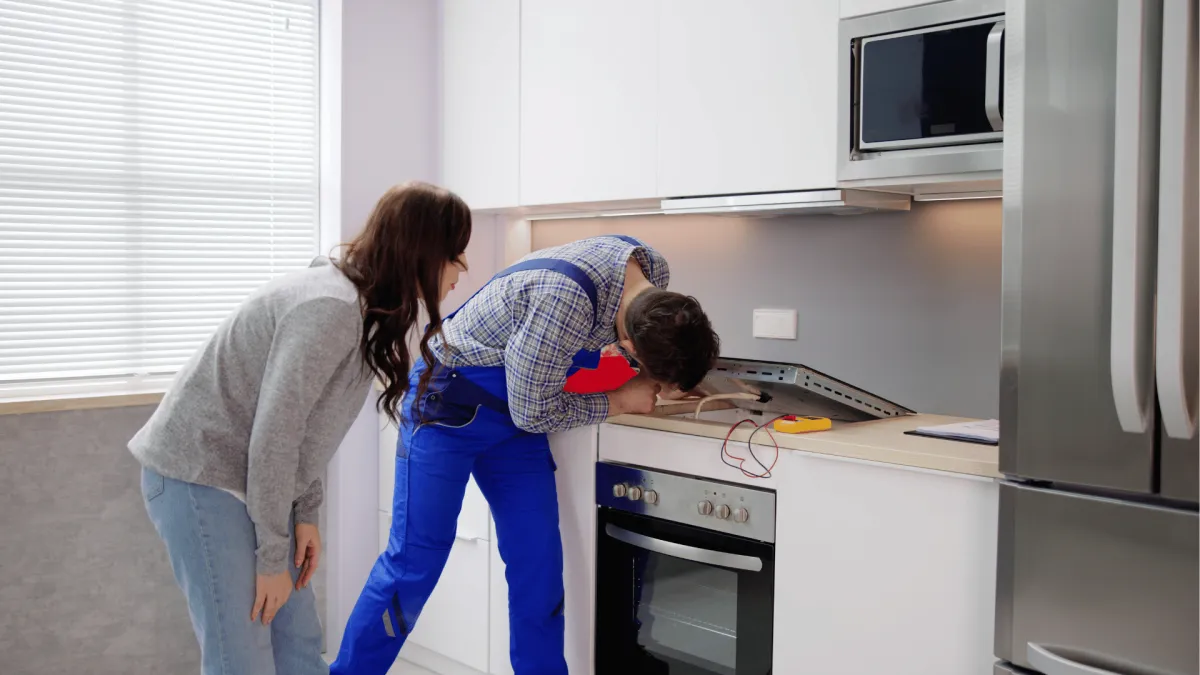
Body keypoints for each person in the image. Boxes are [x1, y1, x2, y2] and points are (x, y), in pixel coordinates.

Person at [332, 235, 721, 674]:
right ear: (631, 339)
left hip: (516, 410)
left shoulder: (653, 273)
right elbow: (535, 410)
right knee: (413, 565)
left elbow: (542, 386)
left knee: (538, 569)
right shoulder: (564, 300)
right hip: (448, 405)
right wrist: (619, 400)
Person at [129, 182, 471, 675]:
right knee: (240, 657)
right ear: (423, 250)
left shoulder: (359, 306)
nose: (462, 269)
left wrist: (304, 513)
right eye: (455, 254)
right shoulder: (330, 308)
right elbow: (276, 434)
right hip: (200, 476)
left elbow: (306, 430)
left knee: (298, 645)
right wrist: (273, 555)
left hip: (247, 480)